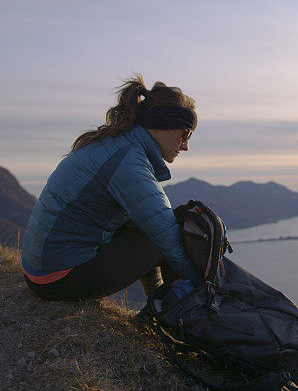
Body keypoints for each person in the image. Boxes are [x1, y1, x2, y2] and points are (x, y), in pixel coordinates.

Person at [21, 75, 204, 301]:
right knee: (164, 237)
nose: (186, 146)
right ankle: (181, 309)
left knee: (146, 227)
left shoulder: (114, 145)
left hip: (40, 271)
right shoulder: (129, 164)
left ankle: (161, 301)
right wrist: (203, 287)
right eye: (185, 133)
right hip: (57, 279)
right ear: (159, 125)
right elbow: (168, 238)